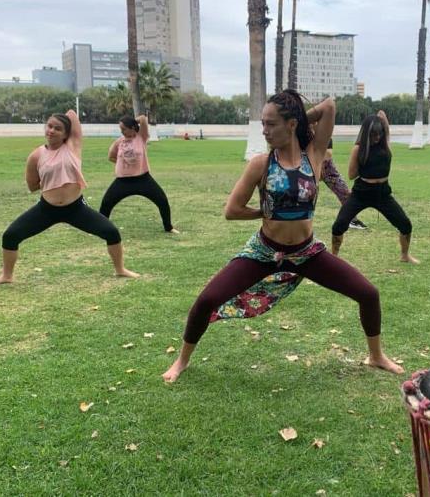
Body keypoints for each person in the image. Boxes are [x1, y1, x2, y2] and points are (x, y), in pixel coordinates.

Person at [162, 90, 404, 382]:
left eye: (272, 124)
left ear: (291, 124)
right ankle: (182, 361)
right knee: (206, 300)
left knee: (369, 293)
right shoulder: (260, 164)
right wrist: (267, 211)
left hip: (306, 253)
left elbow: (329, 106)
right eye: (263, 124)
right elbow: (232, 210)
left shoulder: (314, 156)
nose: (265, 131)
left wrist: (300, 118)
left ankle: (376, 355)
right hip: (265, 252)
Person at [0, 110, 139, 286]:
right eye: (49, 126)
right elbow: (32, 185)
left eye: (57, 128)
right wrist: (52, 181)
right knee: (11, 235)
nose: (51, 130)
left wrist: (62, 118)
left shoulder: (73, 146)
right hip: (47, 209)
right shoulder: (36, 155)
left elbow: (72, 114)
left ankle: (120, 270)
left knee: (111, 232)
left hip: (75, 208)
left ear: (66, 134)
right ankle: (6, 275)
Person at [330, 111, 419, 264]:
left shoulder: (385, 145)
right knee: (339, 225)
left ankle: (405, 255)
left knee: (405, 224)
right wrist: (365, 164)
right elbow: (351, 175)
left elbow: (384, 121)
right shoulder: (358, 149)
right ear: (366, 134)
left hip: (383, 193)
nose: (377, 138)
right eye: (373, 135)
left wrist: (382, 121)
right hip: (361, 193)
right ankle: (334, 258)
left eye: (379, 134)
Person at [100, 115, 179, 233]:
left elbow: (143, 118)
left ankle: (169, 227)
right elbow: (111, 157)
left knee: (162, 200)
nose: (122, 132)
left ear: (132, 127)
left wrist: (133, 121)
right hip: (123, 181)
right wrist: (122, 164)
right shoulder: (119, 142)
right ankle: (101, 228)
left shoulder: (141, 137)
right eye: (120, 129)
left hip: (143, 179)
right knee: (106, 203)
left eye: (124, 129)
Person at [320, 138, 368, 230]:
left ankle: (352, 220)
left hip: (328, 169)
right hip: (308, 167)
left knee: (345, 192)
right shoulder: (304, 134)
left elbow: (328, 154)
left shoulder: (326, 136)